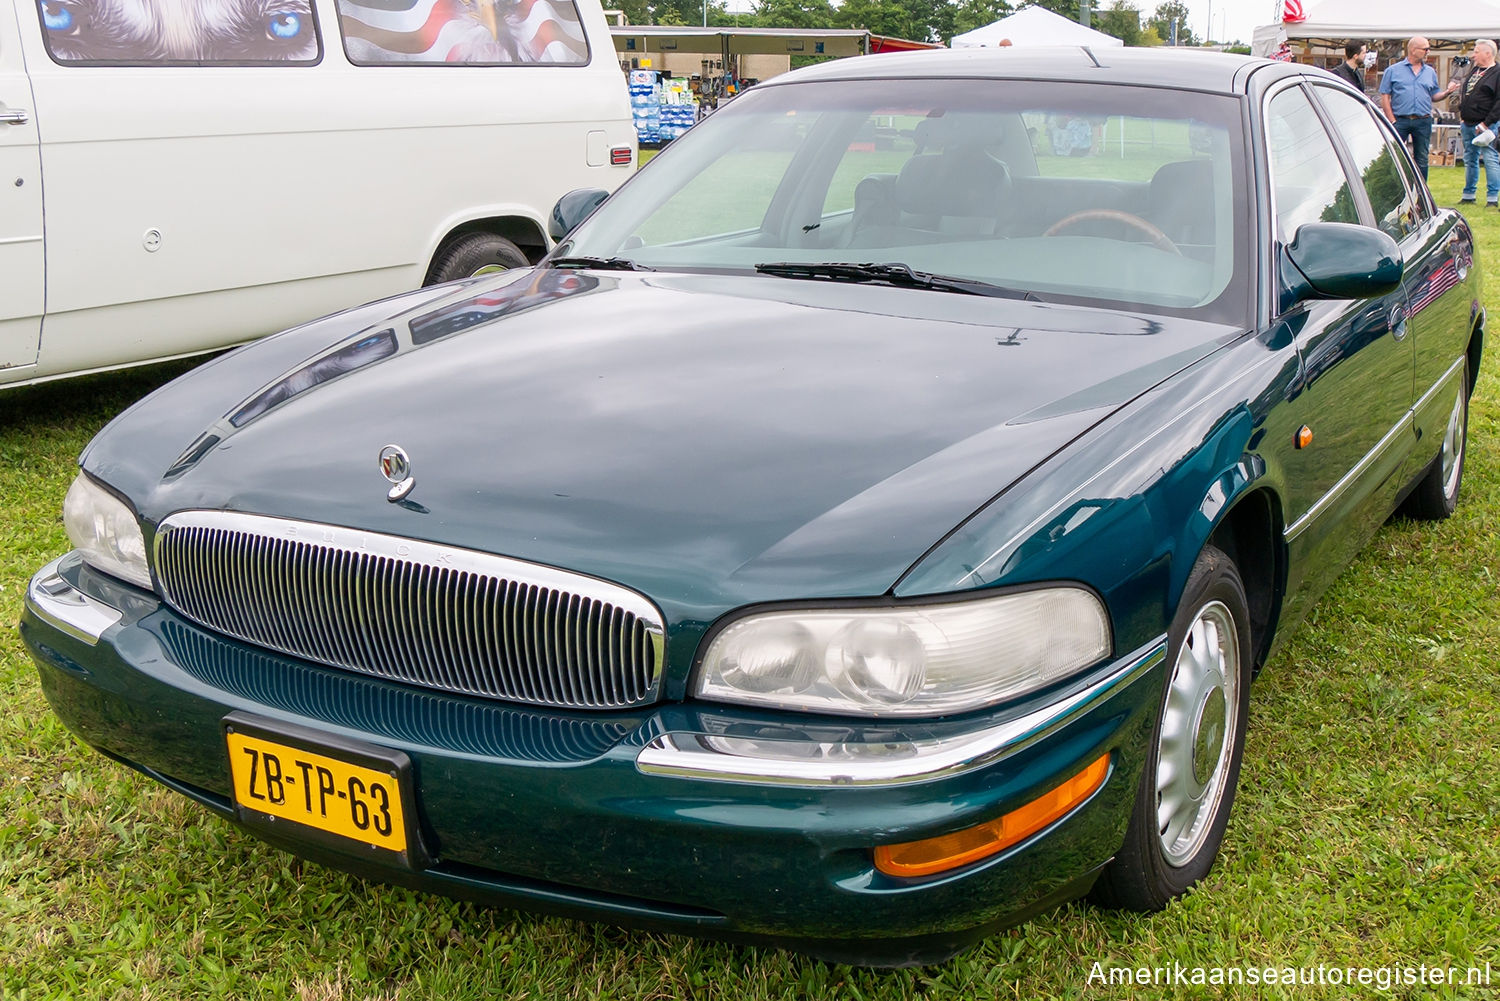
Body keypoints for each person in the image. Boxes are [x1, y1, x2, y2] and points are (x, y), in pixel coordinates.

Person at [1379, 36, 1460, 178]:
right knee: (1393, 156)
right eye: (1425, 49)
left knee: (1422, 159)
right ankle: (1393, 189)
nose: (1428, 52)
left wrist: (1447, 92)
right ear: (1413, 50)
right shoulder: (1393, 71)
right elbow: (1385, 96)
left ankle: (1421, 194)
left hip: (1423, 121)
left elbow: (1434, 95)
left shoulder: (1430, 72)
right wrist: (1391, 120)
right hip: (1400, 120)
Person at [1458, 39, 1500, 205]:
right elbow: (1468, 93)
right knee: (1470, 158)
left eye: (1476, 52)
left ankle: (1492, 197)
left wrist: (1486, 123)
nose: (1473, 55)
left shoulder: (1497, 72)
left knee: (1490, 158)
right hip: (1468, 122)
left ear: (1487, 53)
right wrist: (1463, 113)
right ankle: (1469, 195)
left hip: (1487, 125)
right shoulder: (1475, 70)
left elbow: (1499, 102)